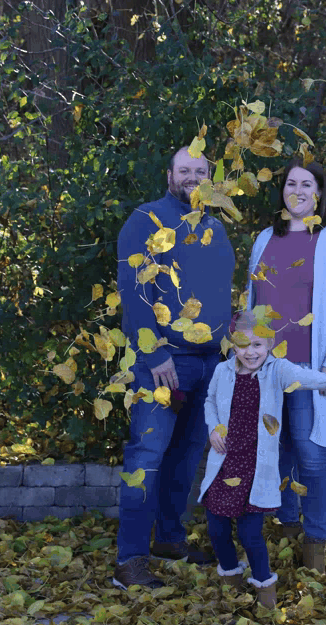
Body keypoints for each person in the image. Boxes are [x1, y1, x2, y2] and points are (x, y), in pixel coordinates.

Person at [113, 146, 235, 590]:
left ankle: (169, 539)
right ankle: (130, 560)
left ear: (209, 178)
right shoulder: (146, 221)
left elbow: (220, 292)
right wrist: (154, 353)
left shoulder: (216, 229)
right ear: (169, 175)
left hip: (210, 364)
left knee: (186, 458)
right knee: (147, 455)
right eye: (184, 170)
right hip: (163, 363)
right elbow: (132, 288)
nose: (191, 177)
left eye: (199, 171)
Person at [197, 310, 326, 608]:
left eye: (259, 345)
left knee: (250, 533)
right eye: (244, 345)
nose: (251, 352)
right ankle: (231, 579)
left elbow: (303, 377)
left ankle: (265, 592)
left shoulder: (276, 370)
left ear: (270, 345)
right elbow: (209, 401)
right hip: (224, 463)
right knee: (216, 528)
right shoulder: (222, 372)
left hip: (253, 467)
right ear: (233, 346)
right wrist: (213, 430)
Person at [246, 157, 326, 574]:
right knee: (275, 453)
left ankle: (315, 542)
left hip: (313, 371)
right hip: (267, 370)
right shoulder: (264, 239)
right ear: (282, 191)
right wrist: (242, 355)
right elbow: (252, 302)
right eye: (290, 183)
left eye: (306, 183)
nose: (297, 189)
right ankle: (287, 525)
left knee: (311, 458)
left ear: (319, 193)